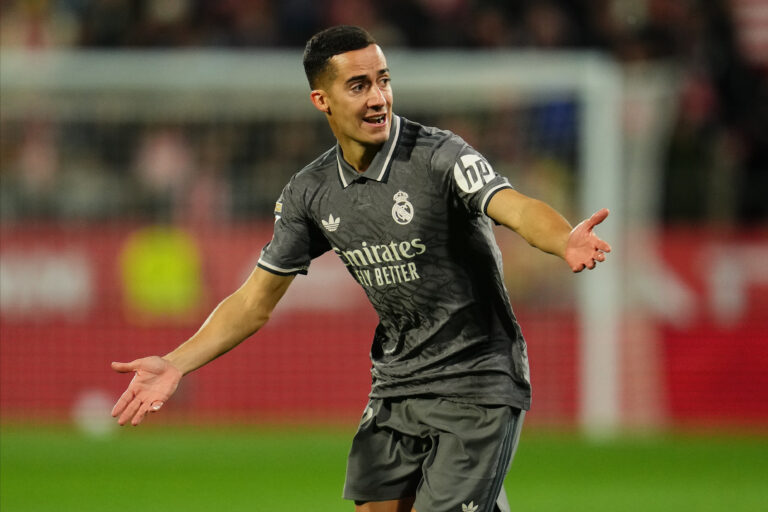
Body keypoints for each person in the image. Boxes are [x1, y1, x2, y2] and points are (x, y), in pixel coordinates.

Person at [111, 25, 611, 512]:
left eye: (383, 80)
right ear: (321, 100)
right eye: (358, 86)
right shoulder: (311, 192)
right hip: (397, 383)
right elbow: (253, 301)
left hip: (476, 380)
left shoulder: (439, 156)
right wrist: (176, 363)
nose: (378, 98)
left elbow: (515, 207)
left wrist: (563, 238)